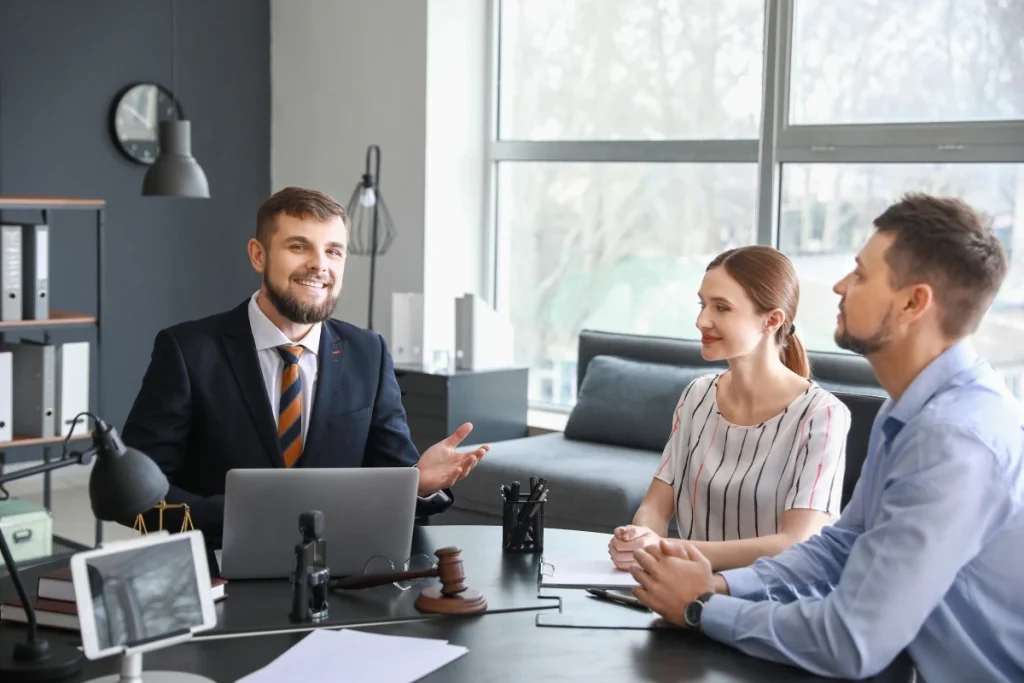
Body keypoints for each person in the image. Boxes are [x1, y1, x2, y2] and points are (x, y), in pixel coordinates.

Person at [629, 193, 1024, 682]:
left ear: (912, 303)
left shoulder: (954, 439)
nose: (839, 285)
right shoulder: (907, 409)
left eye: (859, 274)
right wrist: (723, 586)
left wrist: (701, 607)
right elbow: (841, 546)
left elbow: (850, 641)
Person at [120, 187, 488, 546]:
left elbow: (393, 478)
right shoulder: (186, 351)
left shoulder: (368, 352)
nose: (319, 265)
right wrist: (245, 517)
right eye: (299, 246)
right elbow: (133, 495)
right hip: (221, 575)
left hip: (343, 578)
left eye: (333, 251)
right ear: (258, 256)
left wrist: (419, 485)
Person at [608, 246, 851, 573]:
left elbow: (797, 543)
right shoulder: (697, 396)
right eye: (702, 304)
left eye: (721, 308)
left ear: (772, 320)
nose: (701, 320)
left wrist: (670, 549)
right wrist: (640, 538)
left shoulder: (822, 415)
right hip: (687, 590)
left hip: (774, 605)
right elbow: (654, 506)